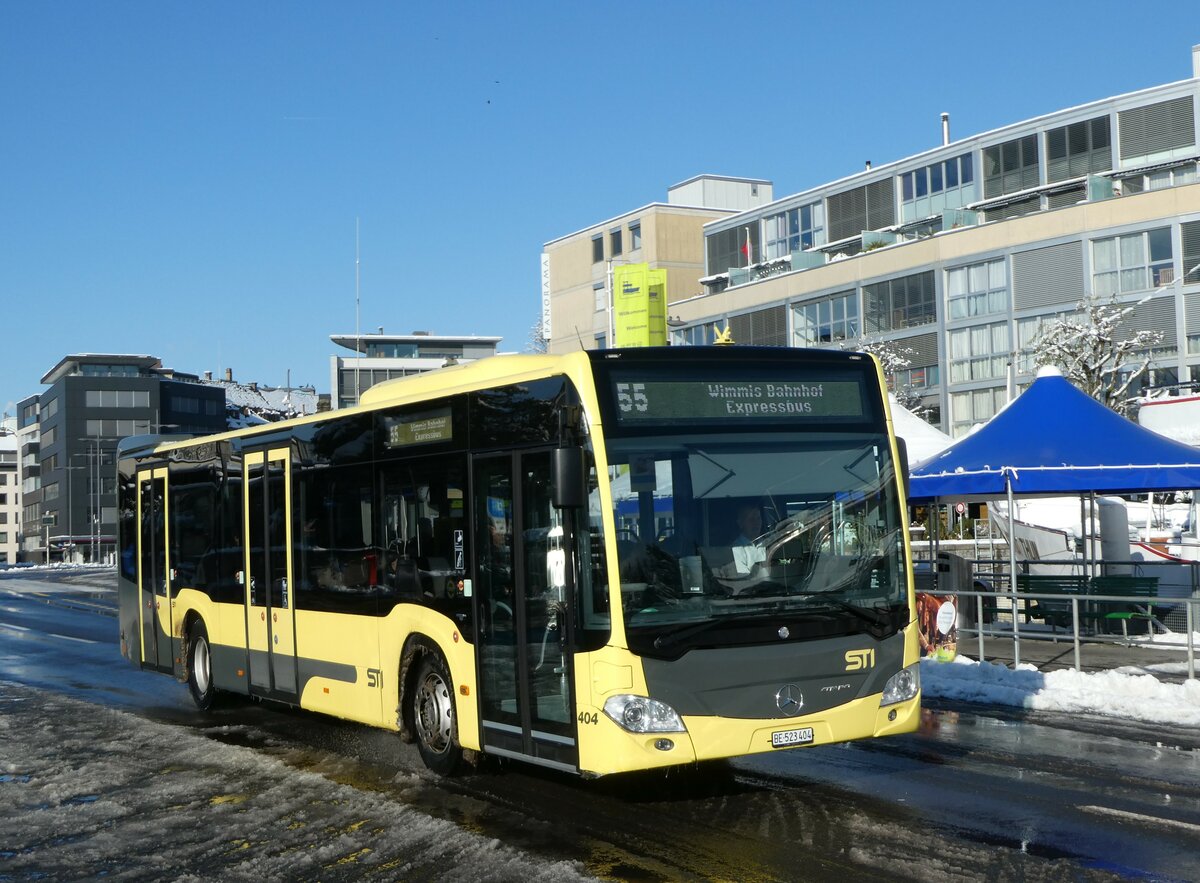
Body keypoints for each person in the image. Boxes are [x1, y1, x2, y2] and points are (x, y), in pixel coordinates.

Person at [730, 503, 767, 575]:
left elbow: (780, 563)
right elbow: (743, 577)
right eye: (751, 519)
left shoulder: (769, 542)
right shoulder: (736, 548)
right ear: (740, 523)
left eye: (758, 518)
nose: (756, 523)